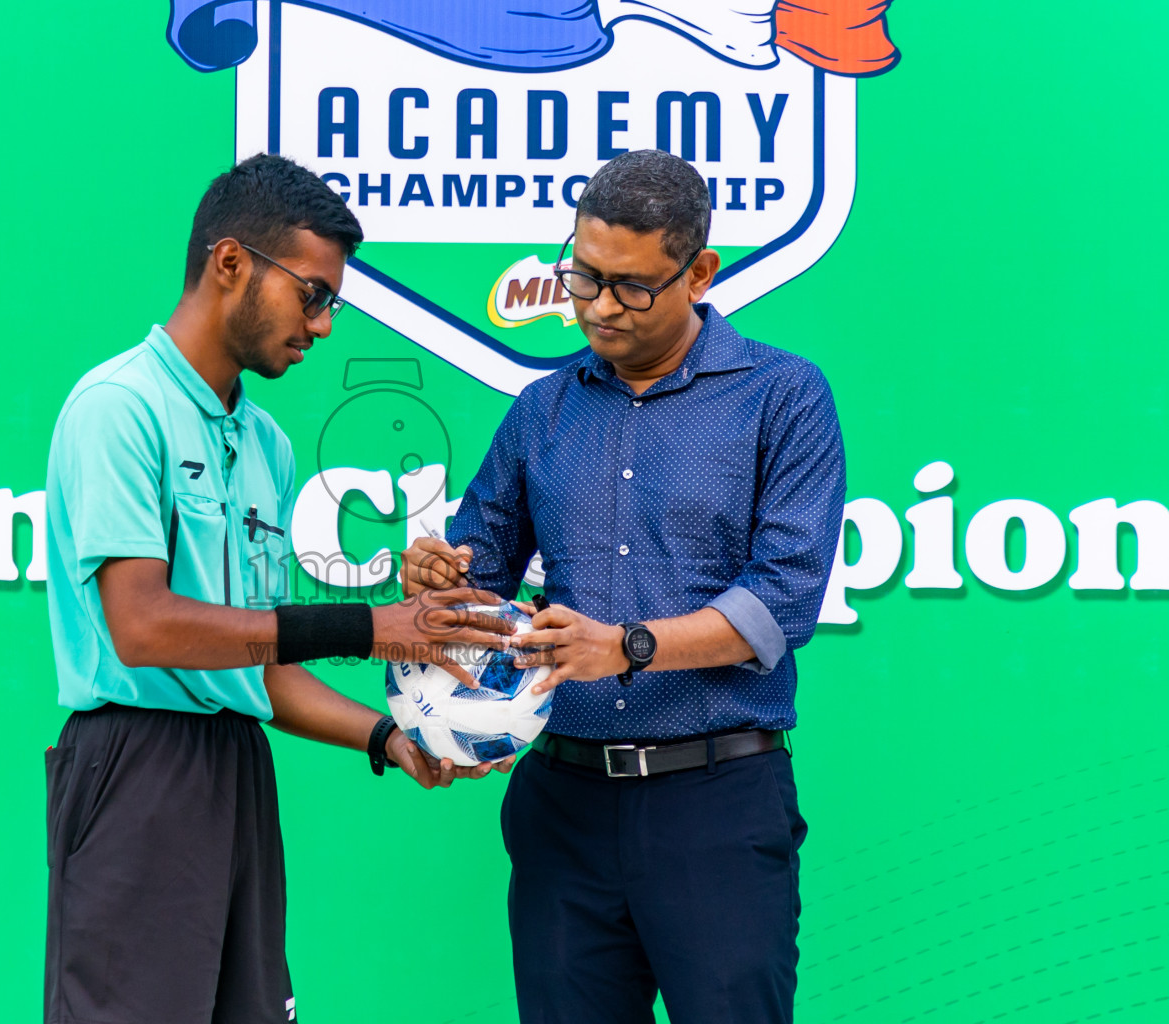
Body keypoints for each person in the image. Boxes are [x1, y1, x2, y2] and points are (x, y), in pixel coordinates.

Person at [43, 153, 512, 1024]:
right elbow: (144, 629)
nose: (324, 325)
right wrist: (371, 628)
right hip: (134, 768)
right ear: (230, 264)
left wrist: (386, 735)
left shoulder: (267, 444)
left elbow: (257, 664)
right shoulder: (118, 408)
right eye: (313, 294)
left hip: (238, 773)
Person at [401, 149, 847, 1024]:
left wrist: (628, 647)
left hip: (715, 804)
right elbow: (478, 576)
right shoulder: (542, 407)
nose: (600, 307)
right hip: (561, 806)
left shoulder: (783, 395)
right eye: (584, 276)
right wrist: (438, 577)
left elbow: (785, 599)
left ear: (700, 270)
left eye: (631, 286)